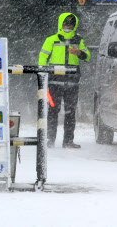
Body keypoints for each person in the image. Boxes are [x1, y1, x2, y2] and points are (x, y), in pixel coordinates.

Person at [38, 12, 90, 148]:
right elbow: (42, 58)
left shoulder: (79, 40)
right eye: (65, 23)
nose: (68, 26)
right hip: (54, 82)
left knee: (70, 112)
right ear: (60, 24)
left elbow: (88, 56)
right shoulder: (51, 39)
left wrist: (80, 53)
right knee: (52, 111)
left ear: (75, 25)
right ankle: (50, 140)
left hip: (72, 82)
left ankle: (68, 141)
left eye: (71, 24)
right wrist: (42, 74)